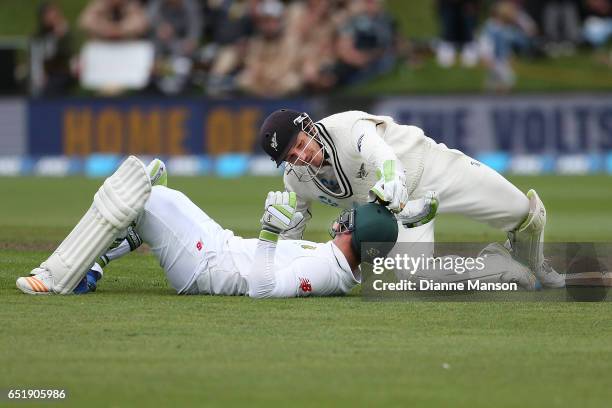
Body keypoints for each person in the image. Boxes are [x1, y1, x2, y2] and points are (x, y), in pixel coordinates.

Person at [258, 109, 563, 289]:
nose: (300, 157)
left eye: (298, 145)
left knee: (527, 214)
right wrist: (278, 268)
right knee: (414, 275)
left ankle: (536, 264)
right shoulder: (295, 179)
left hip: (432, 169)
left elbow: (382, 155)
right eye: (290, 157)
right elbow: (291, 235)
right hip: (402, 211)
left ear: (308, 127)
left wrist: (391, 178)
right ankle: (499, 265)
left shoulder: (349, 127)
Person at [16, 159, 399, 298]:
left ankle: (65, 275)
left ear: (354, 234)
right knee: (158, 184)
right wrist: (278, 236)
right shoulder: (341, 266)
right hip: (218, 248)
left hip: (206, 268)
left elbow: (262, 290)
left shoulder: (325, 271)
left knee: (143, 194)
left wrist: (268, 234)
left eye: (349, 221)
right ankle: (112, 250)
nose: (340, 221)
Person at [79, 0, 148, 41]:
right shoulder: (99, 5)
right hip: (102, 48)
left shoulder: (131, 6)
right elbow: (84, 22)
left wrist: (119, 30)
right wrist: (106, 29)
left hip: (128, 48)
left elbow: (142, 24)